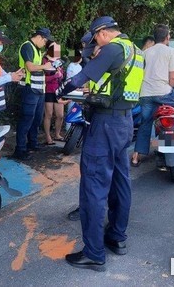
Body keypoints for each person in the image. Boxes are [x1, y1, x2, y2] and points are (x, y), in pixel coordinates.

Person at [56, 16, 144, 271]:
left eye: (95, 38)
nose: (95, 44)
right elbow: (110, 86)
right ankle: (117, 238)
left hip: (105, 126)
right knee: (120, 180)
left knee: (93, 187)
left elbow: (81, 77)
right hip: (124, 122)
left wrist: (60, 91)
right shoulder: (135, 50)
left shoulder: (112, 48)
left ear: (104, 33)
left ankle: (94, 253)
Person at [131, 24, 174, 167]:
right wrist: (168, 88)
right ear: (167, 37)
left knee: (145, 123)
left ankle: (136, 156)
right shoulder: (171, 52)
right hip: (164, 93)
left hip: (146, 94)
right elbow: (173, 78)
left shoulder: (145, 53)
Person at [13, 28, 54, 160]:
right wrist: (45, 66)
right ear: (40, 37)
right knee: (26, 119)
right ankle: (20, 149)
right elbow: (30, 67)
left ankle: (32, 143)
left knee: (36, 119)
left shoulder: (37, 49)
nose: (45, 44)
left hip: (39, 89)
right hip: (30, 88)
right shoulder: (27, 47)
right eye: (45, 41)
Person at [43, 42, 65, 144]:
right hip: (48, 90)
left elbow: (62, 75)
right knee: (49, 114)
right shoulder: (44, 60)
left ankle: (57, 134)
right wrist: (54, 76)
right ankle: (47, 136)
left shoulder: (59, 61)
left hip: (58, 90)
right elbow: (42, 78)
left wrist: (60, 75)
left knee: (60, 115)